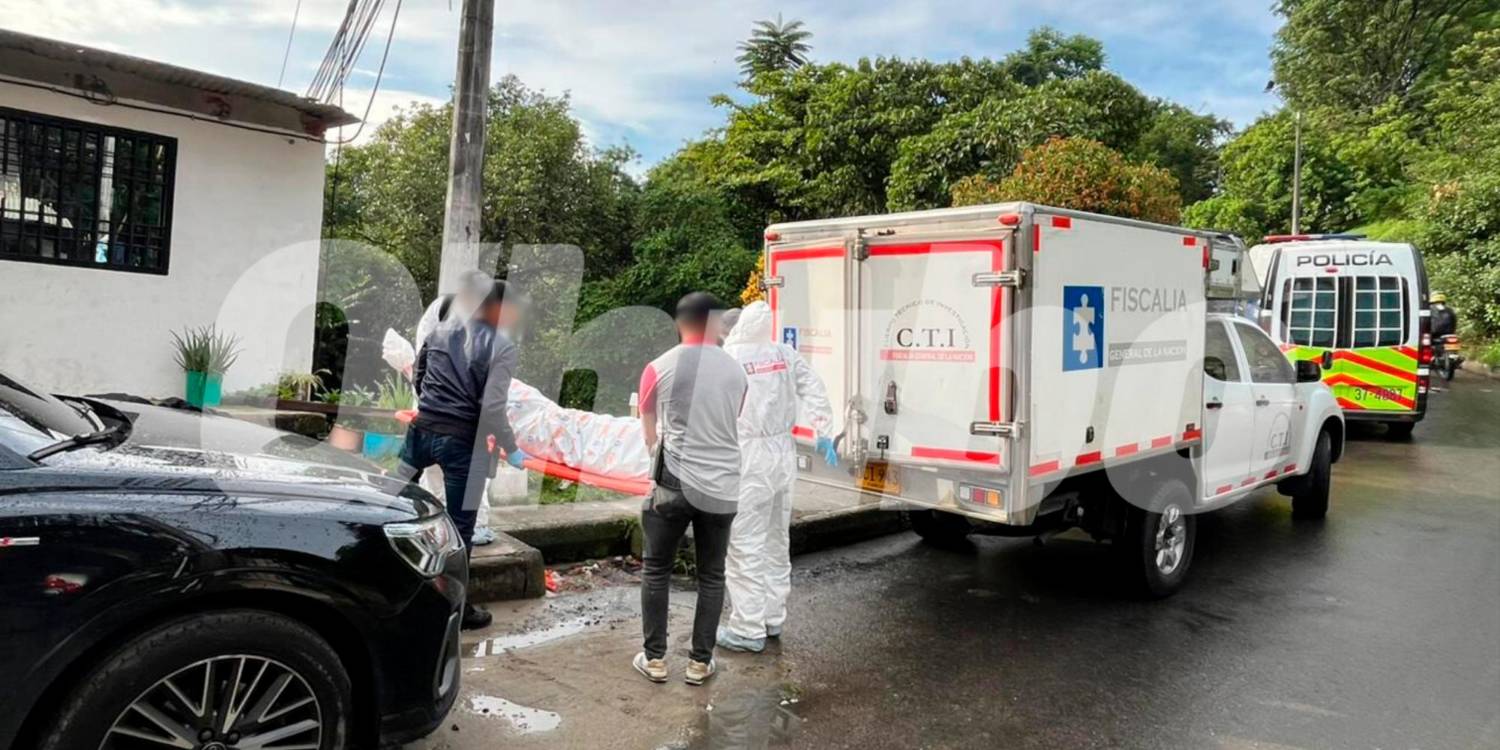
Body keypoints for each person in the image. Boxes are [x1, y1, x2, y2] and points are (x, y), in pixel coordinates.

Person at [401, 279, 529, 630]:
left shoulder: (442, 331)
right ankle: (455, 609)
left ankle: (395, 591)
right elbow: (492, 405)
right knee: (460, 531)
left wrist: (432, 406)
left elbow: (419, 374)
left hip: (421, 432)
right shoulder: (501, 346)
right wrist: (512, 448)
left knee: (389, 504)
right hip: (463, 444)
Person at [634, 292, 748, 686]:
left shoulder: (657, 367)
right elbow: (734, 417)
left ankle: (655, 660)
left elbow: (648, 429)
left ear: (680, 323)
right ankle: (700, 663)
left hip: (673, 486)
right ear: (715, 323)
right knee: (712, 575)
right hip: (721, 488)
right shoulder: (737, 372)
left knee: (657, 569)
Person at [716, 301, 837, 653]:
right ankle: (772, 619)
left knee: (744, 545)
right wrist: (824, 431)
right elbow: (813, 387)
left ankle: (747, 628)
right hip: (783, 454)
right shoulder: (784, 354)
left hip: (747, 458)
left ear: (731, 331)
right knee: (774, 541)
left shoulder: (729, 359)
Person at [414, 270, 499, 546]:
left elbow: (420, 367)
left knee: (415, 484)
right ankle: (456, 567)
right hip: (461, 431)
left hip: (427, 421)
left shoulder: (442, 316)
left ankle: (425, 532)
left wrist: (429, 403)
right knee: (464, 522)